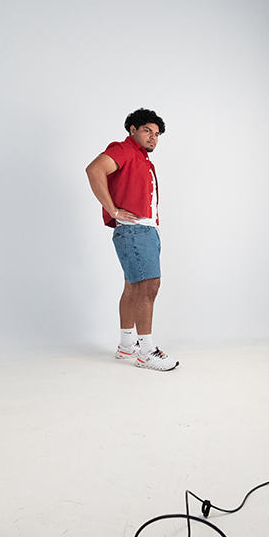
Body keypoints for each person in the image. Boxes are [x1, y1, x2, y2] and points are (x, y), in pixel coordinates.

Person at [85, 108, 178, 371]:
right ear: (132, 130)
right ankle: (146, 351)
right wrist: (113, 211)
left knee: (133, 287)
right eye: (147, 130)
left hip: (145, 229)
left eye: (157, 134)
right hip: (135, 230)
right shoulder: (124, 149)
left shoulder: (143, 159)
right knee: (149, 286)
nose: (153, 137)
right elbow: (94, 170)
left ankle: (126, 345)